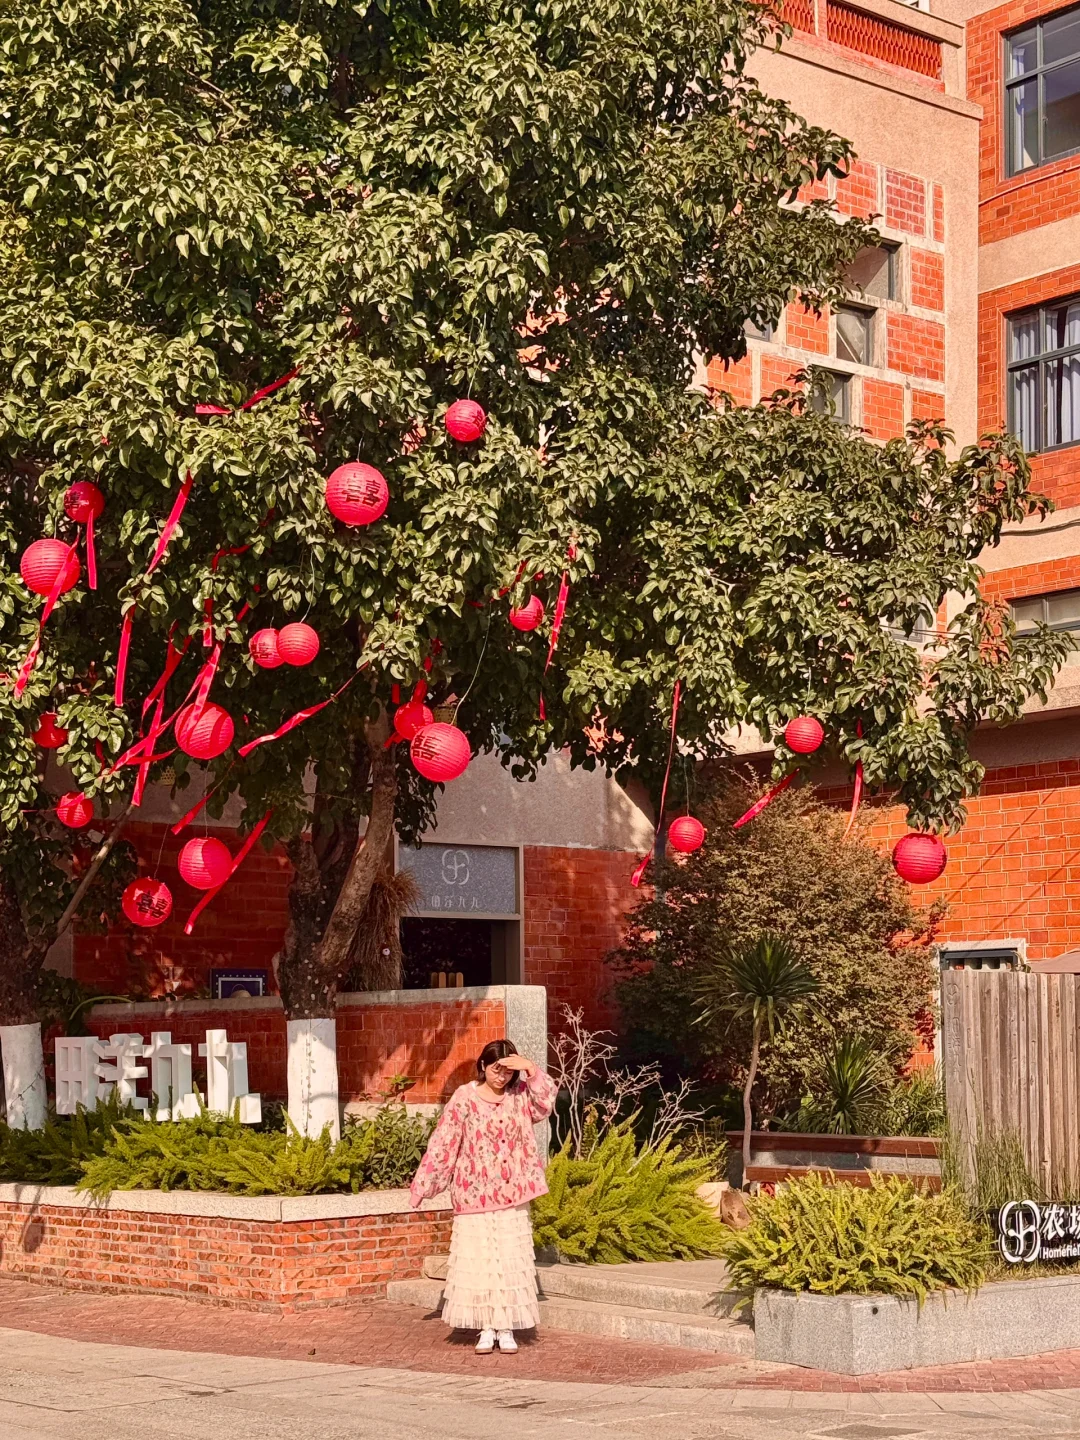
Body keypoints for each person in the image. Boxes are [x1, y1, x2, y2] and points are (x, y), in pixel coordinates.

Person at [409, 1037, 558, 1354]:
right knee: (481, 1263)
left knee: (507, 1260)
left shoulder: (520, 1096)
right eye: (495, 1069)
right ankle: (485, 1328)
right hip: (473, 1194)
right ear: (482, 1066)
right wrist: (425, 1184)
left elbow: (545, 1105)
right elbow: (444, 1142)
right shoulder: (464, 1098)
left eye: (507, 1071)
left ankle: (506, 1328)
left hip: (511, 1194)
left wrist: (531, 1070)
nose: (501, 1077)